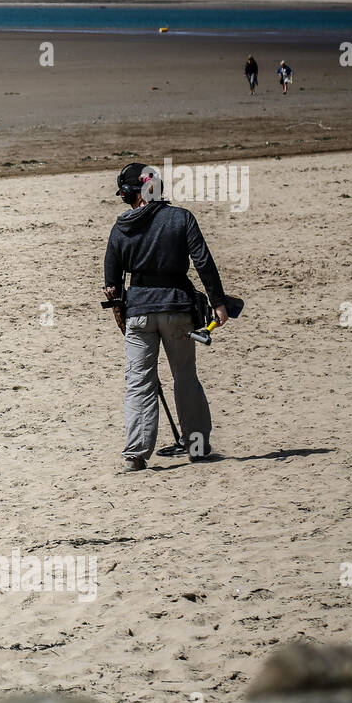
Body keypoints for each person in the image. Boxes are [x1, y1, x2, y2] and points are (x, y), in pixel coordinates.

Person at [102, 162, 228, 472]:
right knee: (185, 378)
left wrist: (122, 312)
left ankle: (135, 455)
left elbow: (111, 285)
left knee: (138, 384)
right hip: (177, 310)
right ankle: (197, 448)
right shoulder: (181, 218)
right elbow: (203, 262)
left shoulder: (121, 228)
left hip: (138, 315)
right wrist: (219, 303)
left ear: (131, 194)